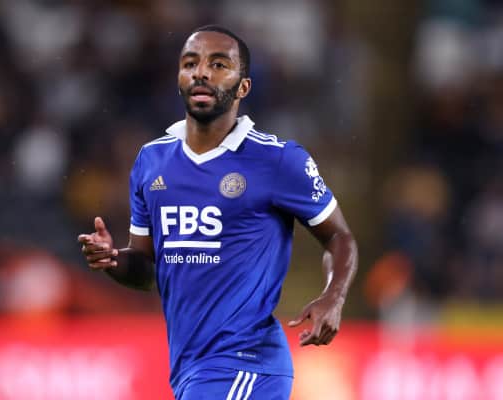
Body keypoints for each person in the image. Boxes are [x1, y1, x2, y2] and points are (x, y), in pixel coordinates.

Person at [78, 25, 358, 400]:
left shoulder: (277, 160)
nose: (201, 73)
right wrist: (112, 260)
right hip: (189, 368)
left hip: (246, 363)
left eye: (219, 64)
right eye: (190, 63)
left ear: (243, 87)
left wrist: (333, 296)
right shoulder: (152, 161)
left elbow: (338, 236)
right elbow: (146, 270)